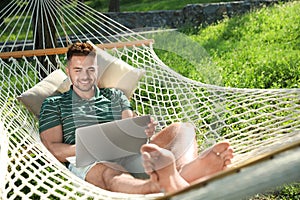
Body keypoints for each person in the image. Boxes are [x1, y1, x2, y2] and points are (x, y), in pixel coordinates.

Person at [39, 42, 233, 194]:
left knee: (182, 129)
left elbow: (129, 126)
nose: (85, 76)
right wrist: (92, 147)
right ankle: (159, 185)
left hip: (129, 153)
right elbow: (53, 149)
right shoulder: (54, 104)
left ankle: (178, 173)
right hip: (92, 160)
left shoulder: (115, 96)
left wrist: (145, 131)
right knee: (109, 172)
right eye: (77, 70)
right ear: (68, 71)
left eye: (90, 69)